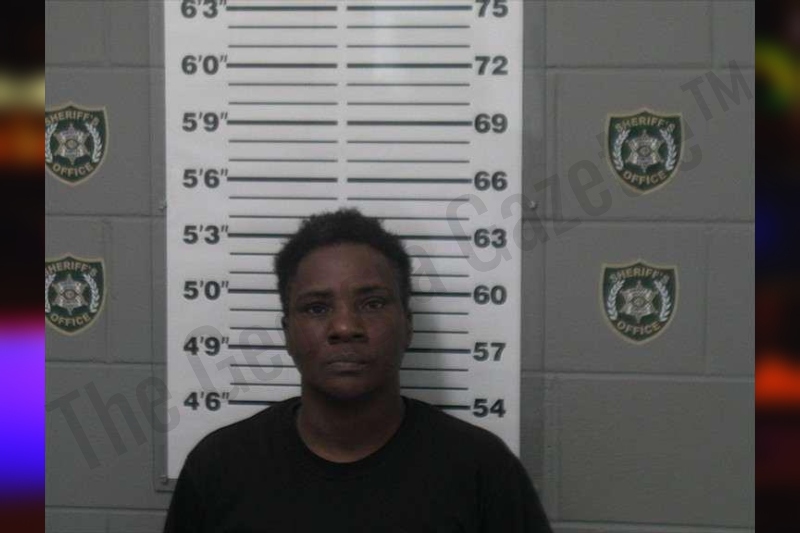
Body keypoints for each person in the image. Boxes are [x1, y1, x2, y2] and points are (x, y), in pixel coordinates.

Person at [163, 207, 552, 532]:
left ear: (408, 325)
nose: (345, 327)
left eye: (372, 303)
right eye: (317, 307)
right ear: (287, 333)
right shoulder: (218, 468)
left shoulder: (482, 470)